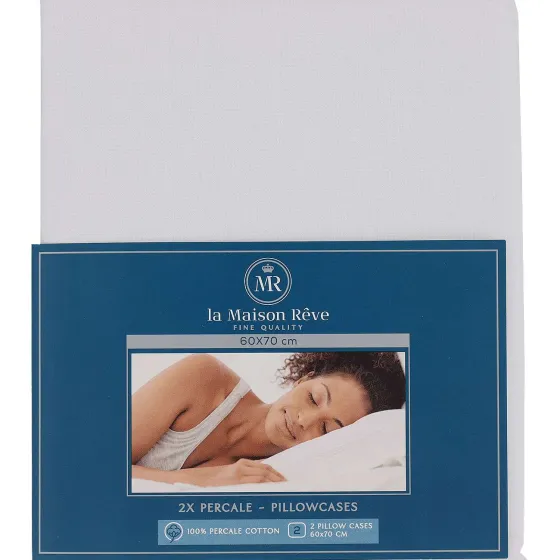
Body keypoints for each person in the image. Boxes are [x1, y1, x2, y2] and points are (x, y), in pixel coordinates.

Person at [132, 351, 405, 486]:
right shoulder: (203, 377)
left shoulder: (274, 476)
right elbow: (106, 471)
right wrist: (206, 479)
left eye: (325, 429)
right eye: (313, 398)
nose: (304, 420)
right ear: (303, 379)